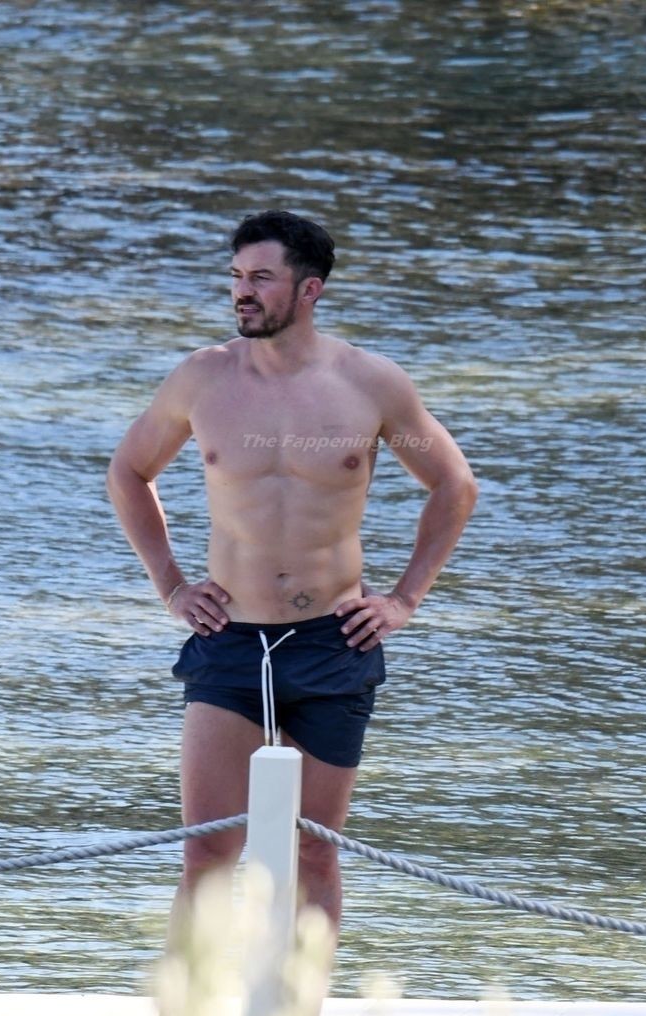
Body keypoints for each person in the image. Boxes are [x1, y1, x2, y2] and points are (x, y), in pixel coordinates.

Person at [107, 209, 478, 947]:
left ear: (310, 289)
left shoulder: (371, 384)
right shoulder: (202, 379)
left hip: (332, 643)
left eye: (261, 278)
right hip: (231, 642)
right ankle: (186, 1014)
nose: (242, 292)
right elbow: (129, 471)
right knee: (208, 853)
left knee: (313, 854)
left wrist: (404, 599)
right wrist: (172, 585)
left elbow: (453, 485)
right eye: (236, 277)